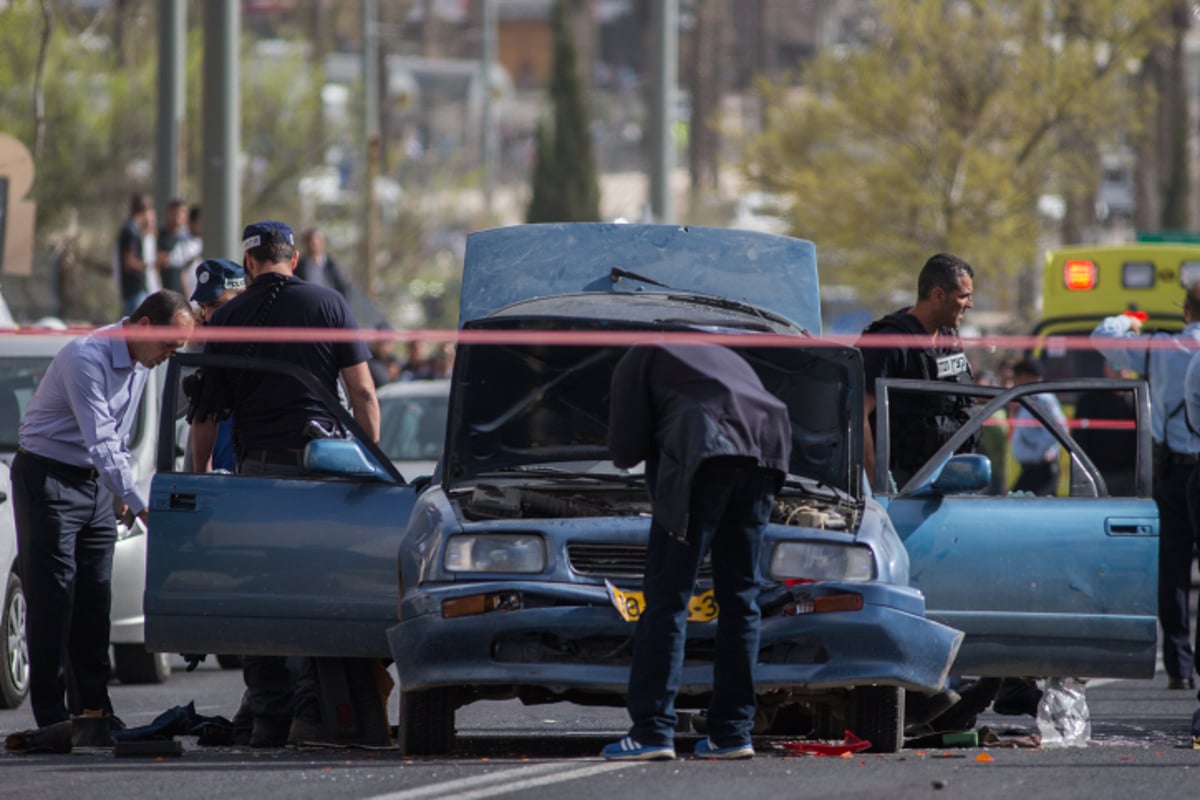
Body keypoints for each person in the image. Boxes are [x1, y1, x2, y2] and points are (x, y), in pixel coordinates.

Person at [188, 221, 380, 747]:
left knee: (259, 592)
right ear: (293, 259)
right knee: (320, 586)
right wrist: (370, 465)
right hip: (324, 475)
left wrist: (197, 484)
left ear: (249, 264)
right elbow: (363, 394)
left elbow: (204, 414)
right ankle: (312, 709)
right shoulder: (330, 305)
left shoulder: (226, 318)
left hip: (257, 478)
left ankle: (269, 713)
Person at [9, 291, 195, 750]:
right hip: (48, 478)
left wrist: (118, 494)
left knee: (95, 598)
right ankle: (53, 718)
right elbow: (101, 437)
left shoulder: (140, 364)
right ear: (146, 325)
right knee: (54, 597)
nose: (171, 356)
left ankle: (92, 710)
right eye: (170, 345)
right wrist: (136, 497)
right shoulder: (85, 357)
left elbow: (120, 440)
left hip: (91, 485)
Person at [602, 344, 791, 761]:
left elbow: (624, 451)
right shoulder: (718, 353)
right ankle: (732, 733)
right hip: (768, 448)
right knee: (741, 600)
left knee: (668, 598)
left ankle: (652, 731)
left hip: (706, 449)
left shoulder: (637, 358)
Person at [1093, 294, 1200, 691]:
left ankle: (1179, 665)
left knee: (1172, 570)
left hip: (1173, 473)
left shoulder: (1159, 348)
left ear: (1186, 312)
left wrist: (1130, 318)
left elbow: (1102, 336)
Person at [859, 253, 978, 489]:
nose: (970, 304)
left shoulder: (949, 339)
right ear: (938, 295)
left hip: (947, 481)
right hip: (903, 487)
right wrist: (876, 485)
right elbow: (856, 412)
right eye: (964, 296)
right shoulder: (889, 342)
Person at [188, 258, 247, 472]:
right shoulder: (205, 352)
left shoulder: (267, 348)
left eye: (216, 305)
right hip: (216, 487)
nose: (209, 315)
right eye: (204, 308)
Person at [1073, 361, 1137, 497]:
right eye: (1116, 366)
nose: (1121, 372)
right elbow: (1079, 438)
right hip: (1098, 475)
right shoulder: (1089, 400)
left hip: (1129, 476)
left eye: (1126, 368)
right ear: (1105, 369)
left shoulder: (1136, 402)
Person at [1009, 358, 1067, 496]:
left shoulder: (1042, 399)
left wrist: (1042, 450)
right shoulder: (1030, 398)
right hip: (1032, 469)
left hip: (1041, 469)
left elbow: (1060, 427)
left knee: (1017, 503)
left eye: (1017, 377)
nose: (1015, 382)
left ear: (1028, 377)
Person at [115, 193, 155, 316]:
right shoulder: (130, 230)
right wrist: (150, 264)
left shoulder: (134, 230)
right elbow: (129, 262)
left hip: (135, 292)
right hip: (135, 291)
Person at [156, 198, 202, 295]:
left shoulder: (182, 239)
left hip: (180, 294)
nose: (180, 216)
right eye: (177, 212)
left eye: (183, 212)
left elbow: (182, 271)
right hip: (164, 293)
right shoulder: (159, 237)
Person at [295, 226, 351, 297]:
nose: (313, 244)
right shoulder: (300, 267)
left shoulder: (332, 265)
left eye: (316, 241)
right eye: (310, 241)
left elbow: (342, 288)